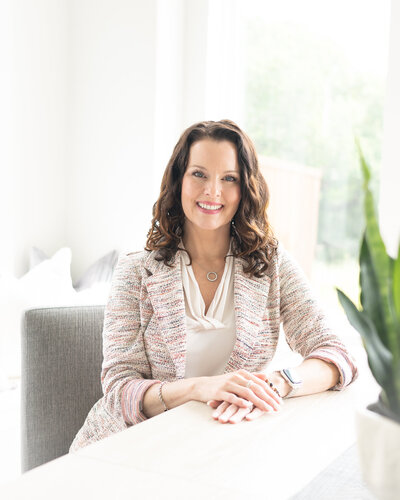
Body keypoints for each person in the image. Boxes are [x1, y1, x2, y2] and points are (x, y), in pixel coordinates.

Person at [69, 119, 357, 452]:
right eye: (199, 174)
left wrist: (277, 383)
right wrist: (198, 388)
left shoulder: (270, 265)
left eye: (229, 178)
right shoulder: (136, 270)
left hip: (223, 446)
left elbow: (337, 356)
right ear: (179, 181)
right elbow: (120, 390)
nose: (213, 191)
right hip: (131, 446)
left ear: (245, 188)